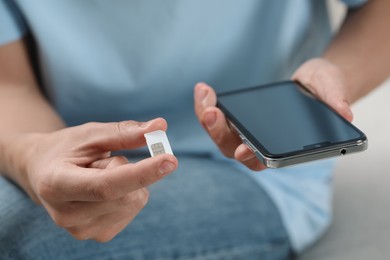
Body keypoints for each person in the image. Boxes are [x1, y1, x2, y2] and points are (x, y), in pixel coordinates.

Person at [0, 0, 388, 259]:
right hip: (75, 149)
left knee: (15, 229)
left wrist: (337, 78)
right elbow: (9, 83)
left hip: (249, 172)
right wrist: (34, 154)